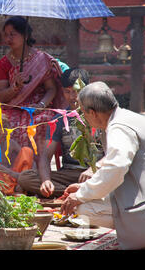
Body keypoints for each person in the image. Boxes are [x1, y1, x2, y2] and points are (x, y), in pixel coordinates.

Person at [61, 81, 145, 250]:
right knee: (87, 199)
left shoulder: (118, 127)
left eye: (84, 113)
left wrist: (80, 195)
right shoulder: (129, 117)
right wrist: (84, 187)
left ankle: (138, 234)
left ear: (92, 113)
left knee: (82, 207)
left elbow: (116, 167)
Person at [17, 68, 102, 198]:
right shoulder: (59, 119)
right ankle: (75, 192)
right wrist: (46, 180)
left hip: (97, 172)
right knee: (25, 178)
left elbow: (114, 154)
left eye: (76, 91)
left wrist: (93, 169)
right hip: (69, 174)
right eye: (67, 92)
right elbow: (45, 156)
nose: (73, 97)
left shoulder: (100, 115)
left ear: (86, 89)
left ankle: (78, 192)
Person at [0, 16, 66, 157]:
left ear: (25, 36)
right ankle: (12, 166)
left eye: (12, 34)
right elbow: (1, 96)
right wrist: (15, 88)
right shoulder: (4, 63)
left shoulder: (41, 60)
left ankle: (39, 165)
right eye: (6, 35)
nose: (8, 39)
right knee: (2, 121)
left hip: (38, 107)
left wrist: (41, 104)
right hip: (13, 107)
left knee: (42, 119)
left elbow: (51, 89)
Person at [0, 114, 34, 195]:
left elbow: (27, 159)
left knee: (27, 151)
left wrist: (31, 173)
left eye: (5, 128)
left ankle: (22, 185)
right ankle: (11, 190)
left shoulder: (11, 143)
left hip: (15, 178)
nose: (3, 132)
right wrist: (11, 173)